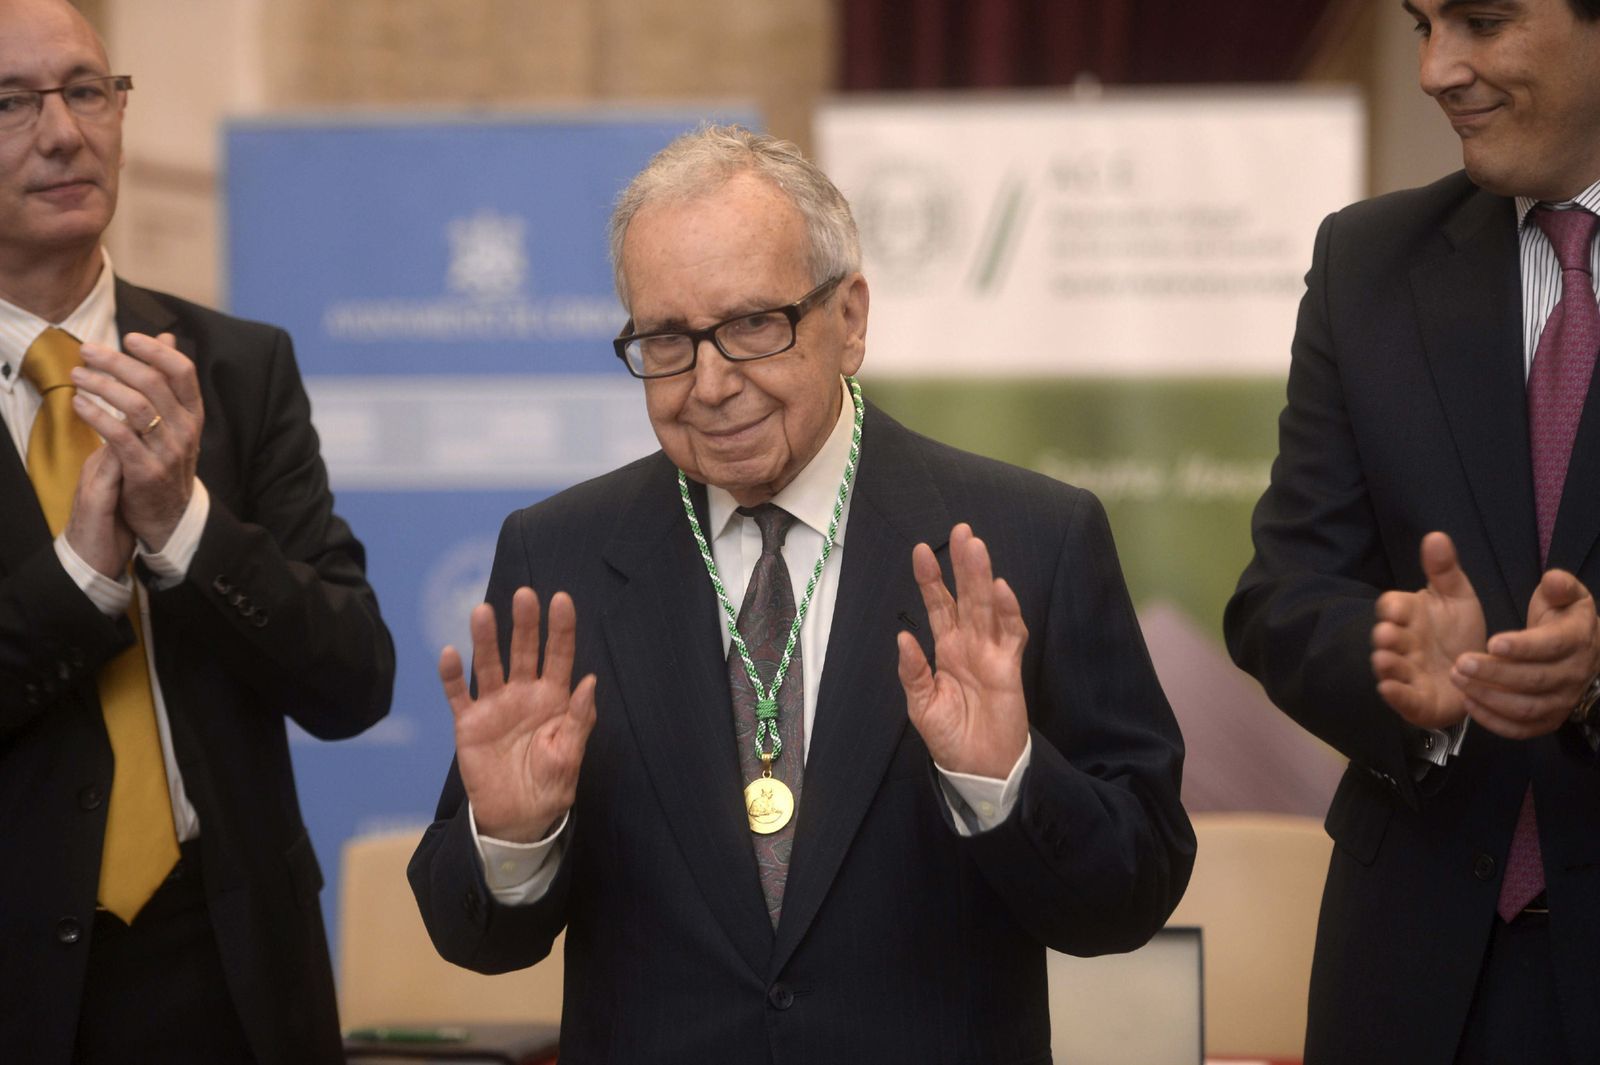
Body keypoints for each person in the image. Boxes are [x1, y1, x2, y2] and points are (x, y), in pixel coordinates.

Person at [408, 125, 1193, 1063]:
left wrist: (1006, 780)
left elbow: (1132, 894)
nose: (710, 385)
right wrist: (513, 835)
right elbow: (473, 936)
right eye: (668, 339)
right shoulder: (559, 557)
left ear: (849, 319)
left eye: (752, 325)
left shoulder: (1027, 540)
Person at [0, 2, 396, 1063]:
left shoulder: (235, 369)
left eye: (87, 91)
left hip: (233, 974)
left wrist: (186, 525)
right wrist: (81, 579)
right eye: (11, 103)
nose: (62, 133)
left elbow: (355, 679)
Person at [1225, 1, 1600, 1061]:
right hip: (1411, 982)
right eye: (1421, 25)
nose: (1438, 69)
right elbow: (1282, 597)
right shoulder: (1367, 262)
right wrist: (1396, 666)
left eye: (1480, 20)